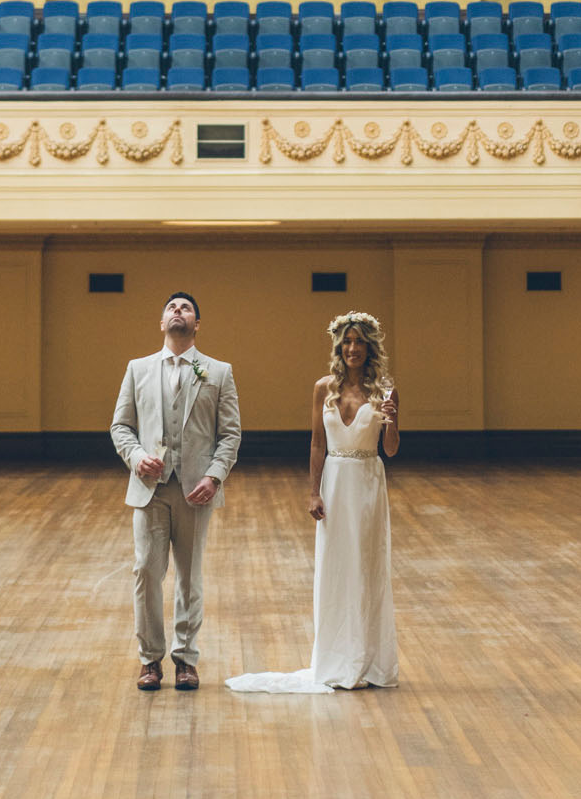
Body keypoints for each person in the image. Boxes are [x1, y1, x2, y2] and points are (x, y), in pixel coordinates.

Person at [226, 310, 399, 695]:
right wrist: (313, 491)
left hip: (368, 482)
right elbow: (317, 443)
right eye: (347, 342)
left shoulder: (384, 390)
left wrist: (393, 420)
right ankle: (336, 657)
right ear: (340, 346)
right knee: (335, 568)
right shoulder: (324, 387)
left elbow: (390, 450)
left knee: (366, 567)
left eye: (359, 342)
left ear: (370, 347)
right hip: (335, 482)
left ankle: (368, 659)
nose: (352, 348)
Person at [110, 290, 241, 692]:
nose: (177, 312)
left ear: (197, 324)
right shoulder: (138, 369)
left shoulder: (218, 372)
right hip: (150, 489)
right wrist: (135, 458)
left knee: (189, 578)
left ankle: (186, 658)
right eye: (171, 307)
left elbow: (231, 433)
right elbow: (120, 426)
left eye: (185, 308)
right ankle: (150, 660)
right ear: (162, 322)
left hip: (194, 492)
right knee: (146, 572)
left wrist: (214, 476)